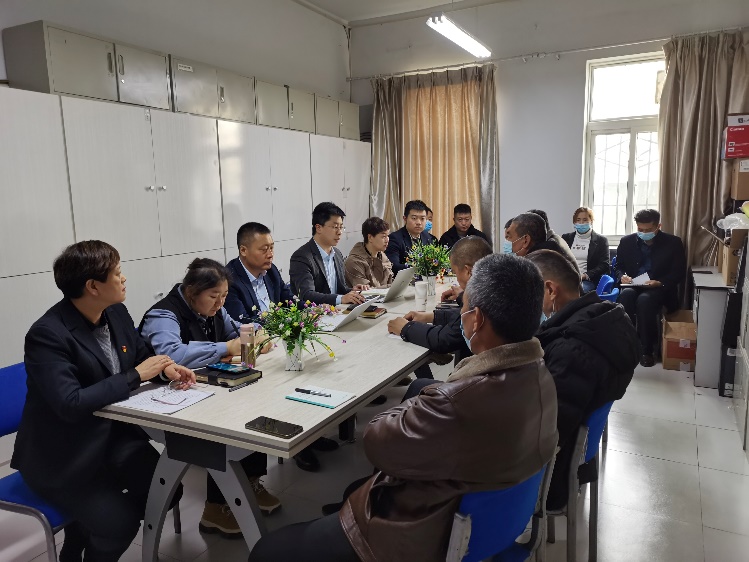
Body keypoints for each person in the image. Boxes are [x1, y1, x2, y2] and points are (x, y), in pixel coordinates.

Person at [248, 253, 559, 562]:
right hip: (490, 523)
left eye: (463, 309)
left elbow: (376, 442)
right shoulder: (540, 375)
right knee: (357, 485)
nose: (461, 316)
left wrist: (423, 401)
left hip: (418, 534)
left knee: (267, 551)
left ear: (476, 319)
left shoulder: (458, 402)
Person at [12, 241, 193, 562]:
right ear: (93, 286)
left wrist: (165, 369)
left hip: (111, 438)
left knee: (168, 490)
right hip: (63, 455)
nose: (124, 278)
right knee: (118, 525)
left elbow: (140, 356)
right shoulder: (47, 334)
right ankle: (89, 542)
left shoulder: (115, 312)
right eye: (118, 273)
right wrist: (136, 375)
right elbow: (70, 402)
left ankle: (83, 530)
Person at [140, 258, 281, 537]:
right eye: (214, 296)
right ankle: (215, 507)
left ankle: (250, 482)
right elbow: (173, 354)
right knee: (231, 423)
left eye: (225, 296)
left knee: (254, 404)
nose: (220, 303)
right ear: (191, 292)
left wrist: (254, 337)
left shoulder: (215, 308)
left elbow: (235, 333)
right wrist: (226, 348)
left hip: (204, 388)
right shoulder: (163, 314)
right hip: (167, 400)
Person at [527, 250, 638, 510]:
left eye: (528, 294)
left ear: (550, 290)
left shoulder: (572, 351)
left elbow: (547, 434)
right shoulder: (604, 319)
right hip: (572, 453)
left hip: (549, 479)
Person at [386, 236, 493, 376]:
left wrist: (405, 328)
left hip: (477, 378)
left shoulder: (479, 298)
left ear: (468, 271)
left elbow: (444, 339)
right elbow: (459, 317)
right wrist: (431, 316)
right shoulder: (493, 285)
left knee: (418, 385)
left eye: (455, 273)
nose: (456, 279)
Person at [615, 209, 686, 367]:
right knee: (626, 296)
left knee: (645, 301)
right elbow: (618, 266)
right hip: (634, 284)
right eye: (640, 229)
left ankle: (646, 350)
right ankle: (627, 345)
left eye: (648, 230)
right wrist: (622, 276)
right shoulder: (627, 241)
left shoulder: (673, 243)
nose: (644, 233)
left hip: (658, 287)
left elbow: (678, 272)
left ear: (658, 226)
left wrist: (659, 282)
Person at [289, 202, 369, 306]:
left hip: (339, 311)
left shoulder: (337, 254)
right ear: (318, 228)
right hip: (316, 314)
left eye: (341, 227)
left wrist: (352, 291)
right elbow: (307, 295)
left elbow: (339, 290)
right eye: (335, 227)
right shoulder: (302, 257)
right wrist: (342, 298)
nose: (339, 232)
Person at [224, 221, 294, 324]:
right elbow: (243, 322)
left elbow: (290, 300)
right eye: (264, 249)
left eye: (271, 248)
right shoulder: (229, 280)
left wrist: (313, 310)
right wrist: (279, 324)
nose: (270, 255)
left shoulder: (271, 271)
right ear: (243, 250)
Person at [561, 207, 611, 293]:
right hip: (566, 278)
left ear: (591, 221)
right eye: (578, 220)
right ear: (574, 222)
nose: (581, 223)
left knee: (574, 291)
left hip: (587, 280)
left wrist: (585, 275)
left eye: (585, 220)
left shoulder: (601, 240)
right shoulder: (566, 238)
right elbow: (559, 259)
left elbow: (604, 264)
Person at [385, 200, 438, 272]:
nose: (418, 222)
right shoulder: (394, 239)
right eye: (414, 218)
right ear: (405, 218)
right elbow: (394, 266)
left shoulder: (429, 238)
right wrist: (419, 267)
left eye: (422, 219)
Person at [504, 212, 575, 265]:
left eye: (509, 237)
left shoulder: (536, 268)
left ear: (526, 241)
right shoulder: (552, 255)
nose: (506, 242)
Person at [344, 217, 394, 288]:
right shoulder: (354, 262)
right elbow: (366, 291)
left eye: (387, 236)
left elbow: (391, 281)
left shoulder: (381, 255)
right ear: (370, 237)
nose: (387, 240)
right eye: (383, 236)